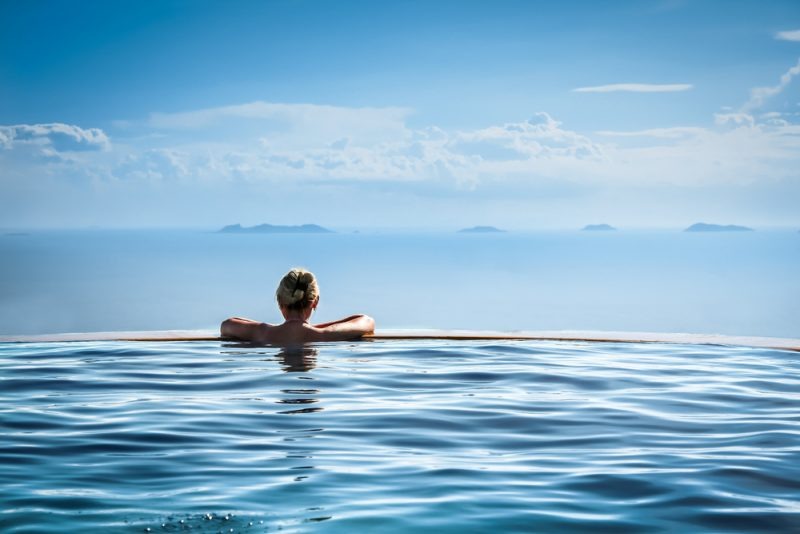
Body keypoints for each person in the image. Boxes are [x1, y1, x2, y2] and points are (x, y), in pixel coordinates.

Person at [220, 268, 375, 344]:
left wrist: (280, 327)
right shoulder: (326, 334)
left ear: (280, 301)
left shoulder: (263, 332)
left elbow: (227, 324)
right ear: (315, 302)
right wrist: (317, 328)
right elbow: (366, 321)